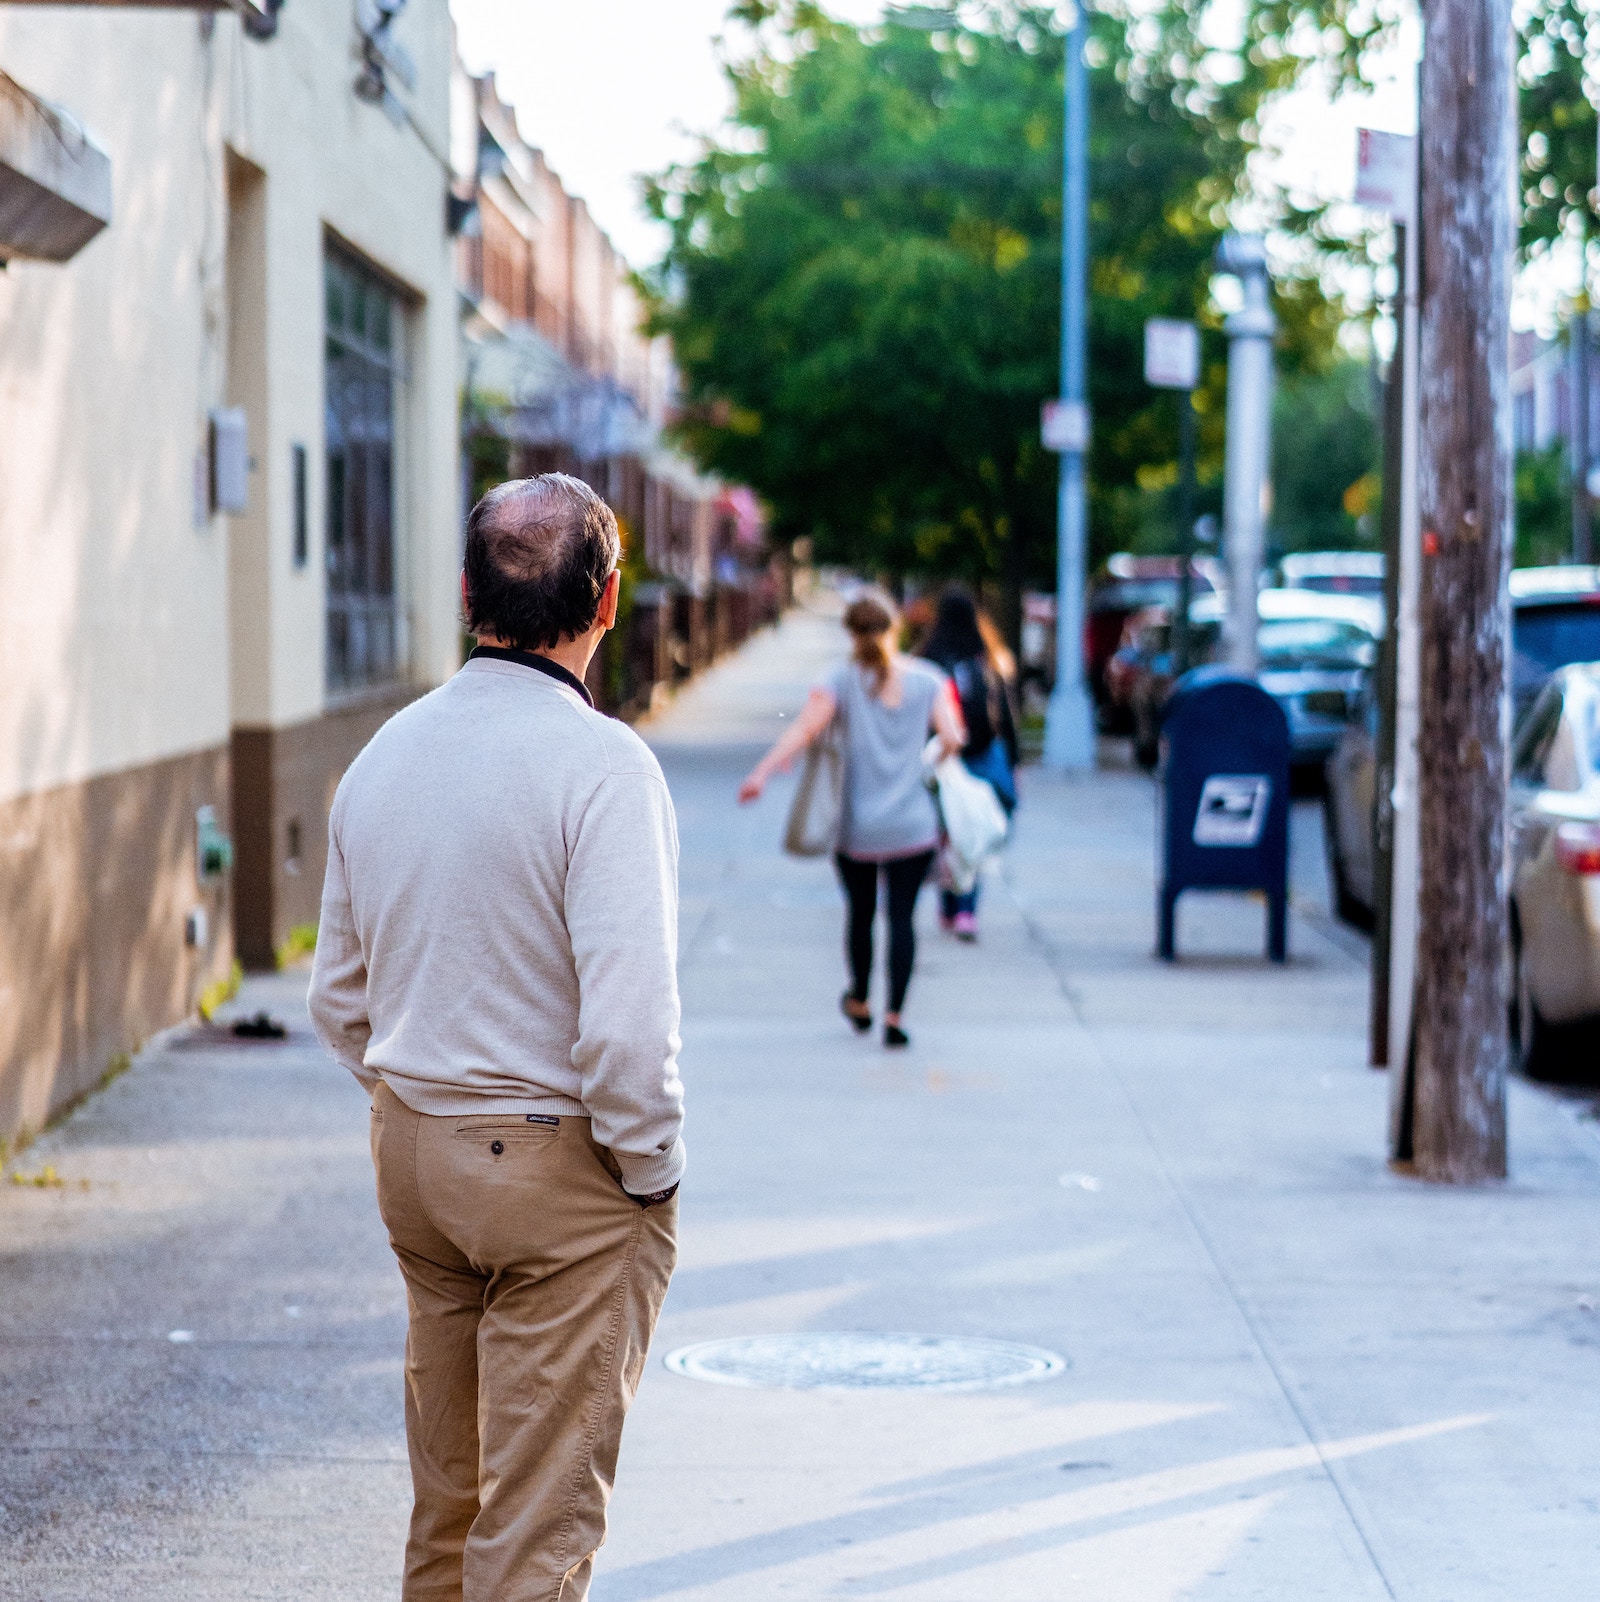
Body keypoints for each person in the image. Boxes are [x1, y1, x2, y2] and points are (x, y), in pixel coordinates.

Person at [308, 473, 684, 1602]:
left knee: (452, 1501)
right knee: (534, 1529)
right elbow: (627, 1032)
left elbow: (338, 996)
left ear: (468, 593)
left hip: (416, 1155)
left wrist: (419, 1092)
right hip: (555, 1175)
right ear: (607, 602)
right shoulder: (603, 769)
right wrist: (650, 1171)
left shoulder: (383, 756)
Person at [738, 591, 964, 1048]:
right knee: (902, 919)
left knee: (860, 916)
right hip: (913, 827)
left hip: (857, 827)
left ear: (850, 633)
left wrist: (762, 773)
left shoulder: (838, 681)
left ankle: (860, 1000)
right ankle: (896, 1015)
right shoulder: (929, 680)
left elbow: (804, 729)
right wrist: (928, 762)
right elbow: (953, 737)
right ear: (894, 627)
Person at [918, 587, 1020, 941]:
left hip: (943, 757)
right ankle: (966, 911)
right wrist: (1015, 763)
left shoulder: (927, 658)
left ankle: (947, 906)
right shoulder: (988, 658)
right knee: (972, 831)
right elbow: (1006, 715)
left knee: (947, 831)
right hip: (982, 753)